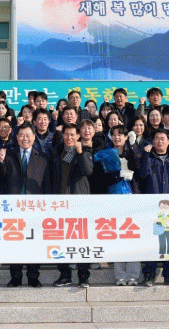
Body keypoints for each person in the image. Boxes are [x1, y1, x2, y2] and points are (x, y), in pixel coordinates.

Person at [0, 122, 50, 287]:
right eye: (21, 135)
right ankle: (16, 276)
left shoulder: (43, 158)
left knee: (34, 242)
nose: (24, 138)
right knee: (14, 243)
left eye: (28, 135)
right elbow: (2, 178)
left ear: (34, 137)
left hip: (35, 208)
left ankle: (33, 276)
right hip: (13, 207)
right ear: (16, 137)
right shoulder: (9, 155)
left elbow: (46, 184)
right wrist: (1, 162)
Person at [139, 129, 169, 286]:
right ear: (152, 142)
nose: (160, 141)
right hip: (152, 208)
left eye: (163, 138)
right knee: (153, 242)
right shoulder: (147, 158)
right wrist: (145, 155)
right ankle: (149, 275)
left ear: (168, 142)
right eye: (157, 138)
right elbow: (142, 175)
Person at [51, 123, 93, 287]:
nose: (69, 138)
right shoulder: (56, 152)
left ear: (78, 136)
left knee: (81, 240)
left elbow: (88, 171)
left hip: (79, 203)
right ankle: (65, 274)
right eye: (66, 134)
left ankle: (83, 275)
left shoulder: (85, 151)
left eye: (72, 135)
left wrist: (80, 152)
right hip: (60, 204)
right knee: (61, 240)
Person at [107, 125, 142, 286]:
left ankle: (133, 275)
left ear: (126, 137)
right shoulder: (108, 153)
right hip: (113, 199)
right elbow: (103, 176)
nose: (117, 137)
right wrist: (118, 175)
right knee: (117, 237)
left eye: (120, 134)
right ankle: (120, 275)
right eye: (114, 135)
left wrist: (133, 146)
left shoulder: (132, 151)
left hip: (132, 199)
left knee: (133, 237)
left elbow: (139, 167)